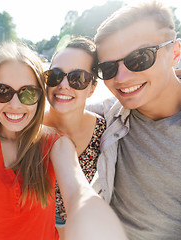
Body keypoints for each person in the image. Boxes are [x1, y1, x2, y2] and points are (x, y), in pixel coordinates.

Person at [0, 42, 127, 240]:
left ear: (39, 96)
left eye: (28, 93)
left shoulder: (59, 143)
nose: (14, 105)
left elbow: (79, 192)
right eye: (2, 91)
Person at [91, 1, 181, 239]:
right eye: (108, 68)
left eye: (139, 58)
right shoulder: (108, 117)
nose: (121, 78)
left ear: (175, 53)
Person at [43, 37, 106, 230]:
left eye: (78, 78)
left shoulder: (103, 131)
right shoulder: (27, 127)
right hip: (32, 224)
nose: (63, 84)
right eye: (55, 75)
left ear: (92, 88)